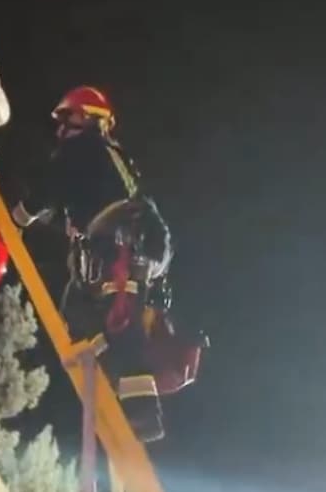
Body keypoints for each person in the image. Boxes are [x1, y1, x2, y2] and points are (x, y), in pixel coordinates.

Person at [13, 86, 203, 443]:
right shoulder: (110, 160)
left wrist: (17, 219)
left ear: (87, 117)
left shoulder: (82, 149)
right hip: (130, 250)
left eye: (66, 119)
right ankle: (108, 373)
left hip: (119, 250)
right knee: (79, 312)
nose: (60, 130)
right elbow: (73, 210)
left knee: (120, 333)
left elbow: (49, 188)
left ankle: (143, 416)